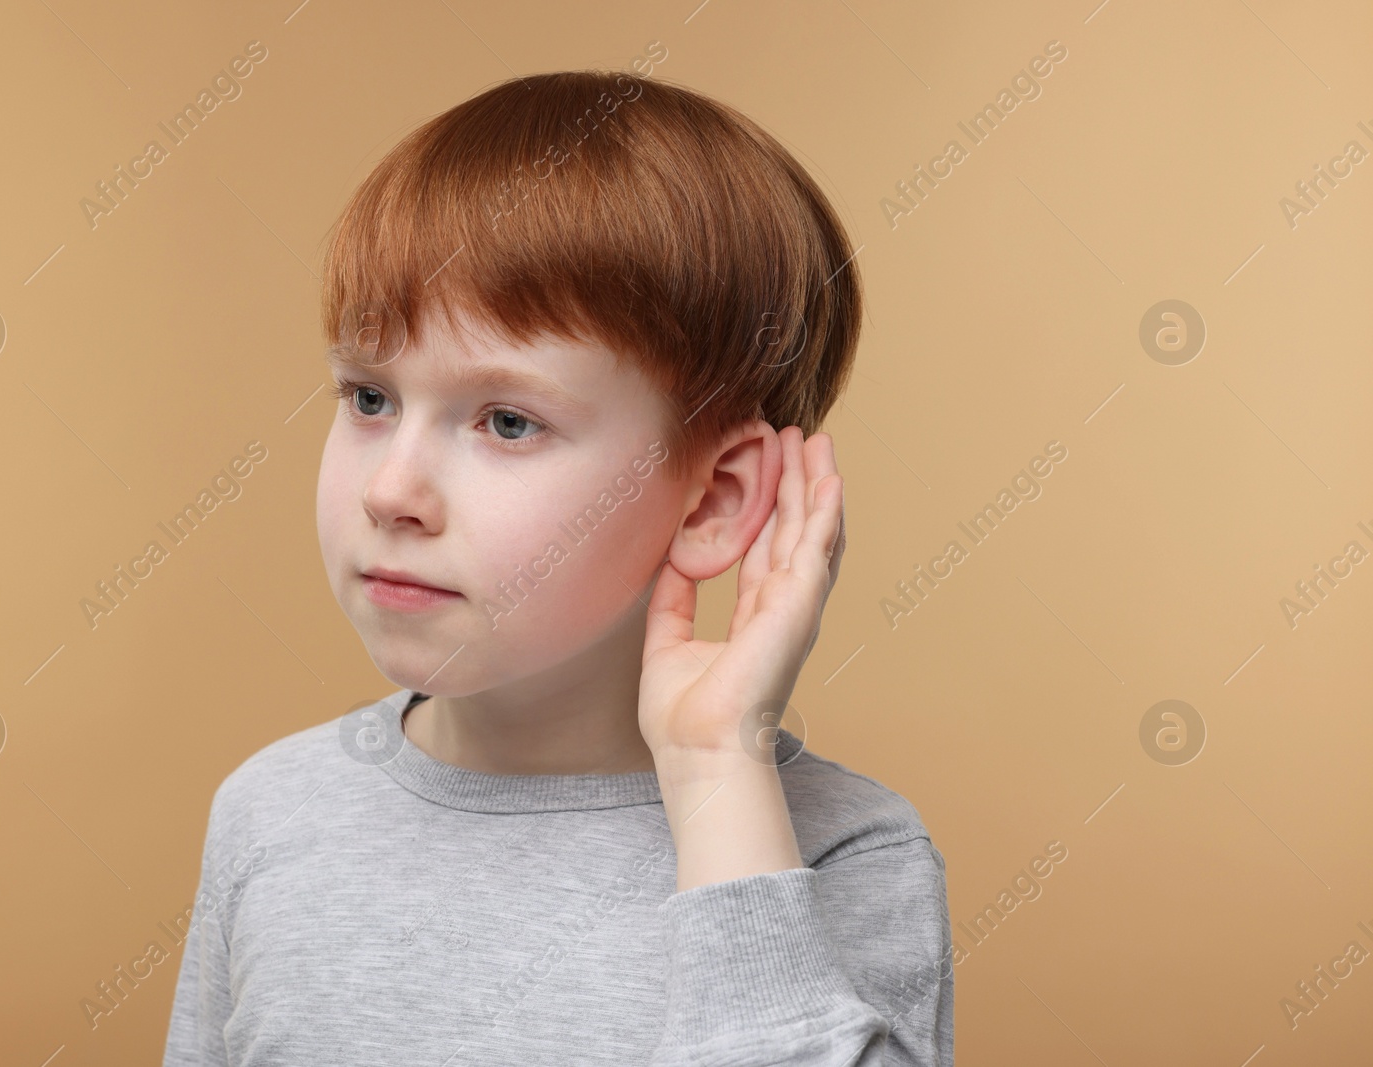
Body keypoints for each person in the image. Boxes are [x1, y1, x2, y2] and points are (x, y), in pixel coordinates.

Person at [162, 68, 952, 1066]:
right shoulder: (270, 811)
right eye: (368, 398)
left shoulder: (844, 854)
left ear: (710, 500)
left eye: (506, 420)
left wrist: (717, 768)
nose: (391, 489)